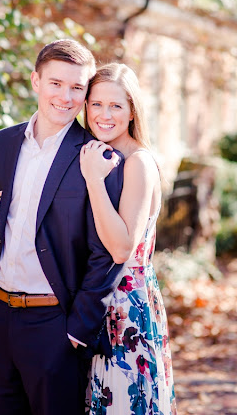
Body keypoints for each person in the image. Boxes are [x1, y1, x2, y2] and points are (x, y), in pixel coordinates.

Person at [0, 39, 126, 415]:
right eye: (56, 83)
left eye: (77, 87)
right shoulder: (3, 143)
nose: (66, 96)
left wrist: (76, 332)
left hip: (53, 325)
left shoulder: (97, 156)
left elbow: (106, 255)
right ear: (35, 82)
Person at [79, 63, 177, 414]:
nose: (104, 115)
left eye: (116, 106)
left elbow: (122, 248)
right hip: (100, 300)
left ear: (132, 110)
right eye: (96, 104)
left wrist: (93, 180)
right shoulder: (101, 154)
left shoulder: (137, 162)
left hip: (126, 306)